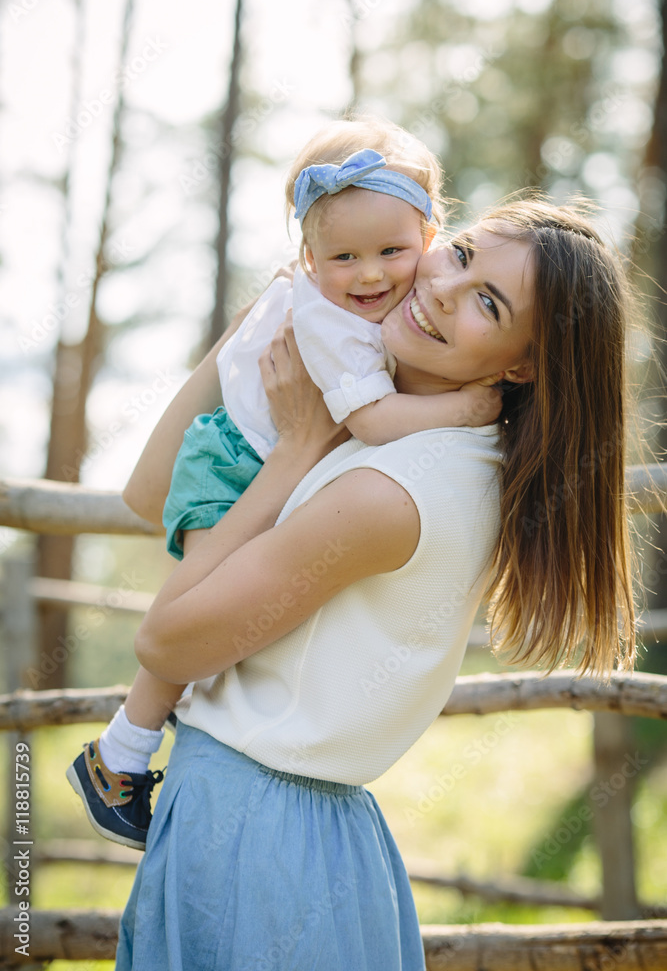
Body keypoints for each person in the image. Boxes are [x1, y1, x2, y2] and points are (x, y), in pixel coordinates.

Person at [111, 195, 635, 970]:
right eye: (458, 255)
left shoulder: (393, 488)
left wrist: (292, 454)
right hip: (292, 830)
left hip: (256, 841)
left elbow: (165, 642)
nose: (439, 290)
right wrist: (276, 308)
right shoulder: (397, 421)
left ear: (521, 364)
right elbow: (150, 493)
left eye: (486, 303)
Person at [67, 117, 504, 850]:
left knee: (206, 624)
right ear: (307, 255)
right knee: (191, 624)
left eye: (393, 252)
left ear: (428, 230)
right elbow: (364, 420)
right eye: (343, 257)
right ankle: (120, 753)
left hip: (255, 458)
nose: (370, 276)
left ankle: (142, 737)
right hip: (232, 458)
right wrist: (459, 406)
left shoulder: (376, 312)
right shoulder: (329, 319)